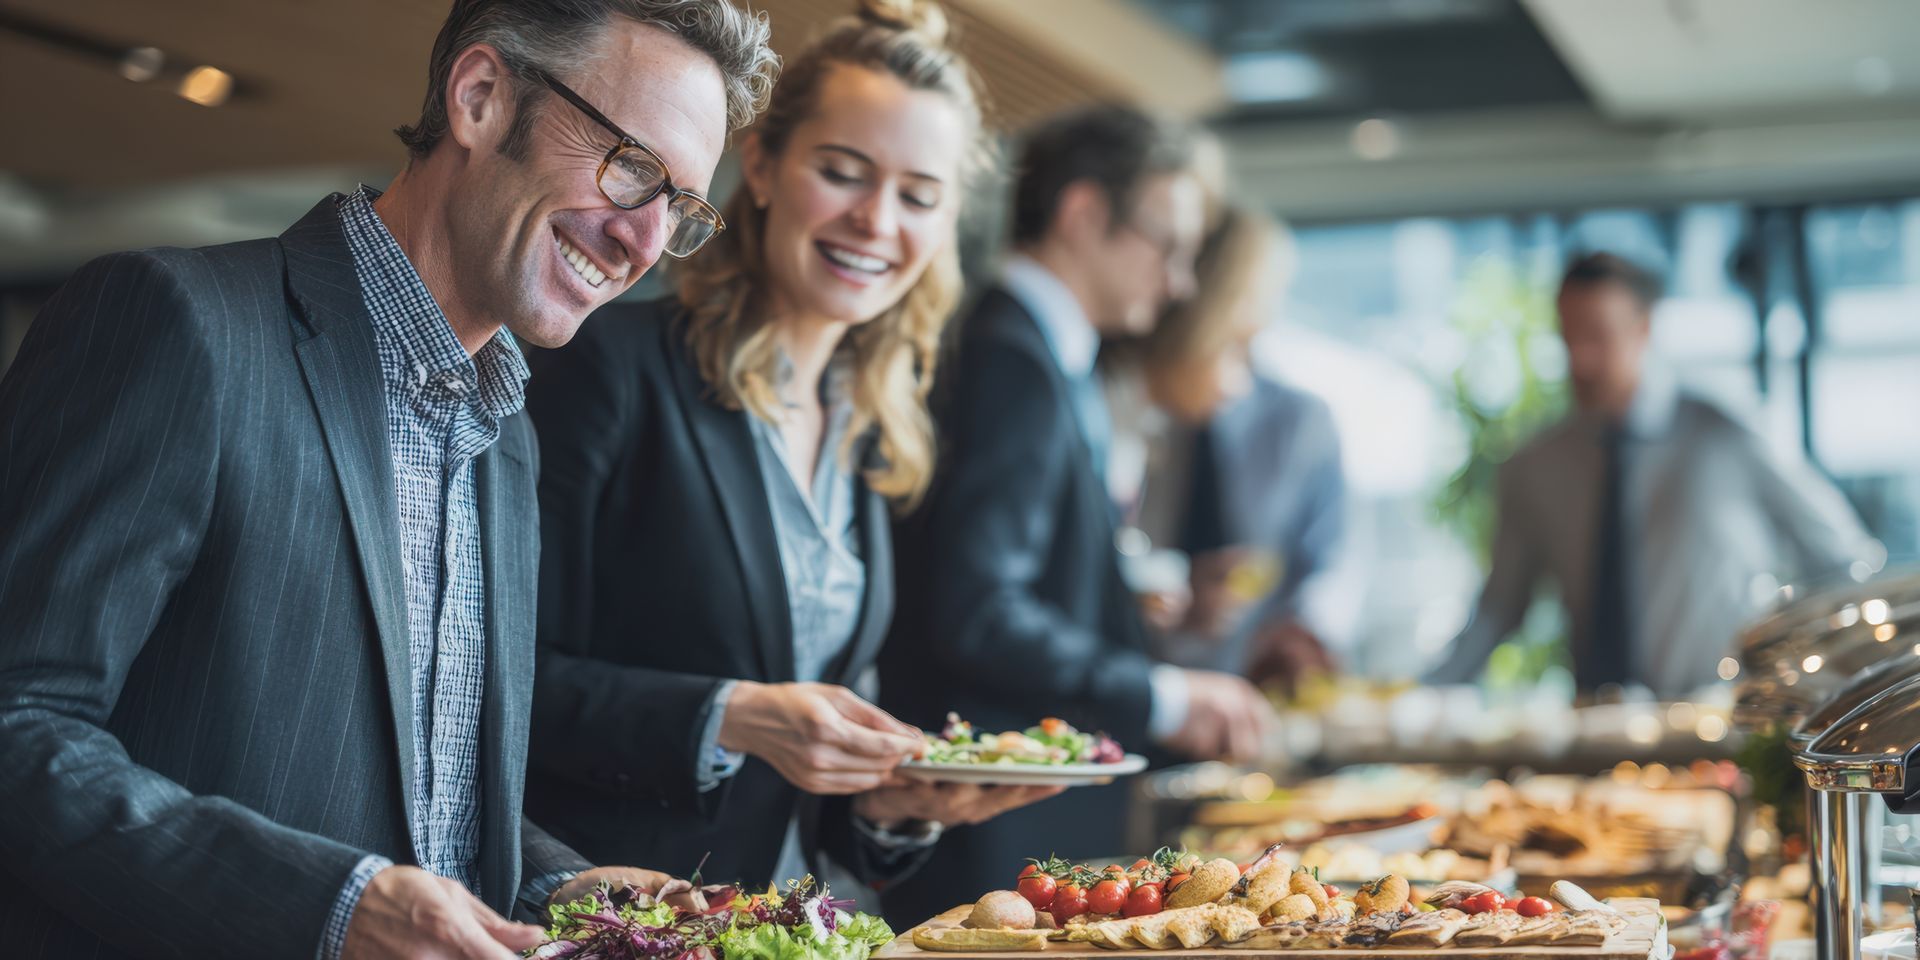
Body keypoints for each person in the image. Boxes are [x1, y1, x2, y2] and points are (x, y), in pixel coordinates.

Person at [0, 2, 778, 957]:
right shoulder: (179, 322)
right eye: (634, 168)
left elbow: (428, 803)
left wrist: (561, 884)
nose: (646, 241)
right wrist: (328, 904)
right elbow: (19, 725)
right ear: (482, 98)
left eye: (683, 208)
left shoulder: (512, 436)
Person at [523, 0, 1056, 896]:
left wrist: (898, 804)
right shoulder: (611, 367)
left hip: (794, 921)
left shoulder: (870, 424)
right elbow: (495, 680)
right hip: (624, 918)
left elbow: (814, 793)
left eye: (919, 196)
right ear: (763, 164)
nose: (877, 221)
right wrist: (730, 716)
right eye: (844, 172)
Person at [877, 106, 1278, 925]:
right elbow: (979, 608)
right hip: (992, 835)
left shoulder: (1035, 354)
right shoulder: (1008, 361)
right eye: (1165, 245)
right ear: (1083, 214)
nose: (1179, 283)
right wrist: (1162, 695)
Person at [1429, 252, 1880, 698]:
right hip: (1598, 732)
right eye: (1568, 337)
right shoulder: (1536, 463)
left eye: (1597, 336)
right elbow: (1498, 610)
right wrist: (1418, 698)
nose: (1580, 360)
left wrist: (1825, 685)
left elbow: (1840, 562)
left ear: (1642, 329)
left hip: (1720, 723)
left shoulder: (1726, 435)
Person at [1101, 205, 1349, 691]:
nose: (1239, 379)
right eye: (1234, 343)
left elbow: (1331, 561)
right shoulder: (1118, 416)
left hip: (1242, 685)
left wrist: (1298, 634)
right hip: (1132, 688)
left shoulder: (1300, 419)